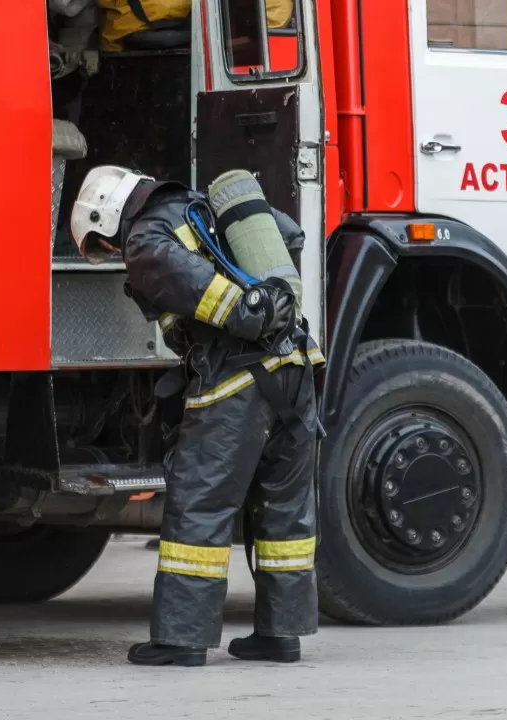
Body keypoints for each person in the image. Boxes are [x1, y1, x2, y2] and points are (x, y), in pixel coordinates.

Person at [69, 166, 324, 667]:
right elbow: (288, 234)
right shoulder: (205, 207)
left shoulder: (145, 239)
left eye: (104, 243)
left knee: (199, 501)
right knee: (285, 506)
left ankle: (181, 640)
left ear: (109, 212)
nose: (114, 254)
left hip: (238, 378)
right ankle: (281, 634)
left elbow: (225, 306)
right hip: (297, 366)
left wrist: (245, 313)